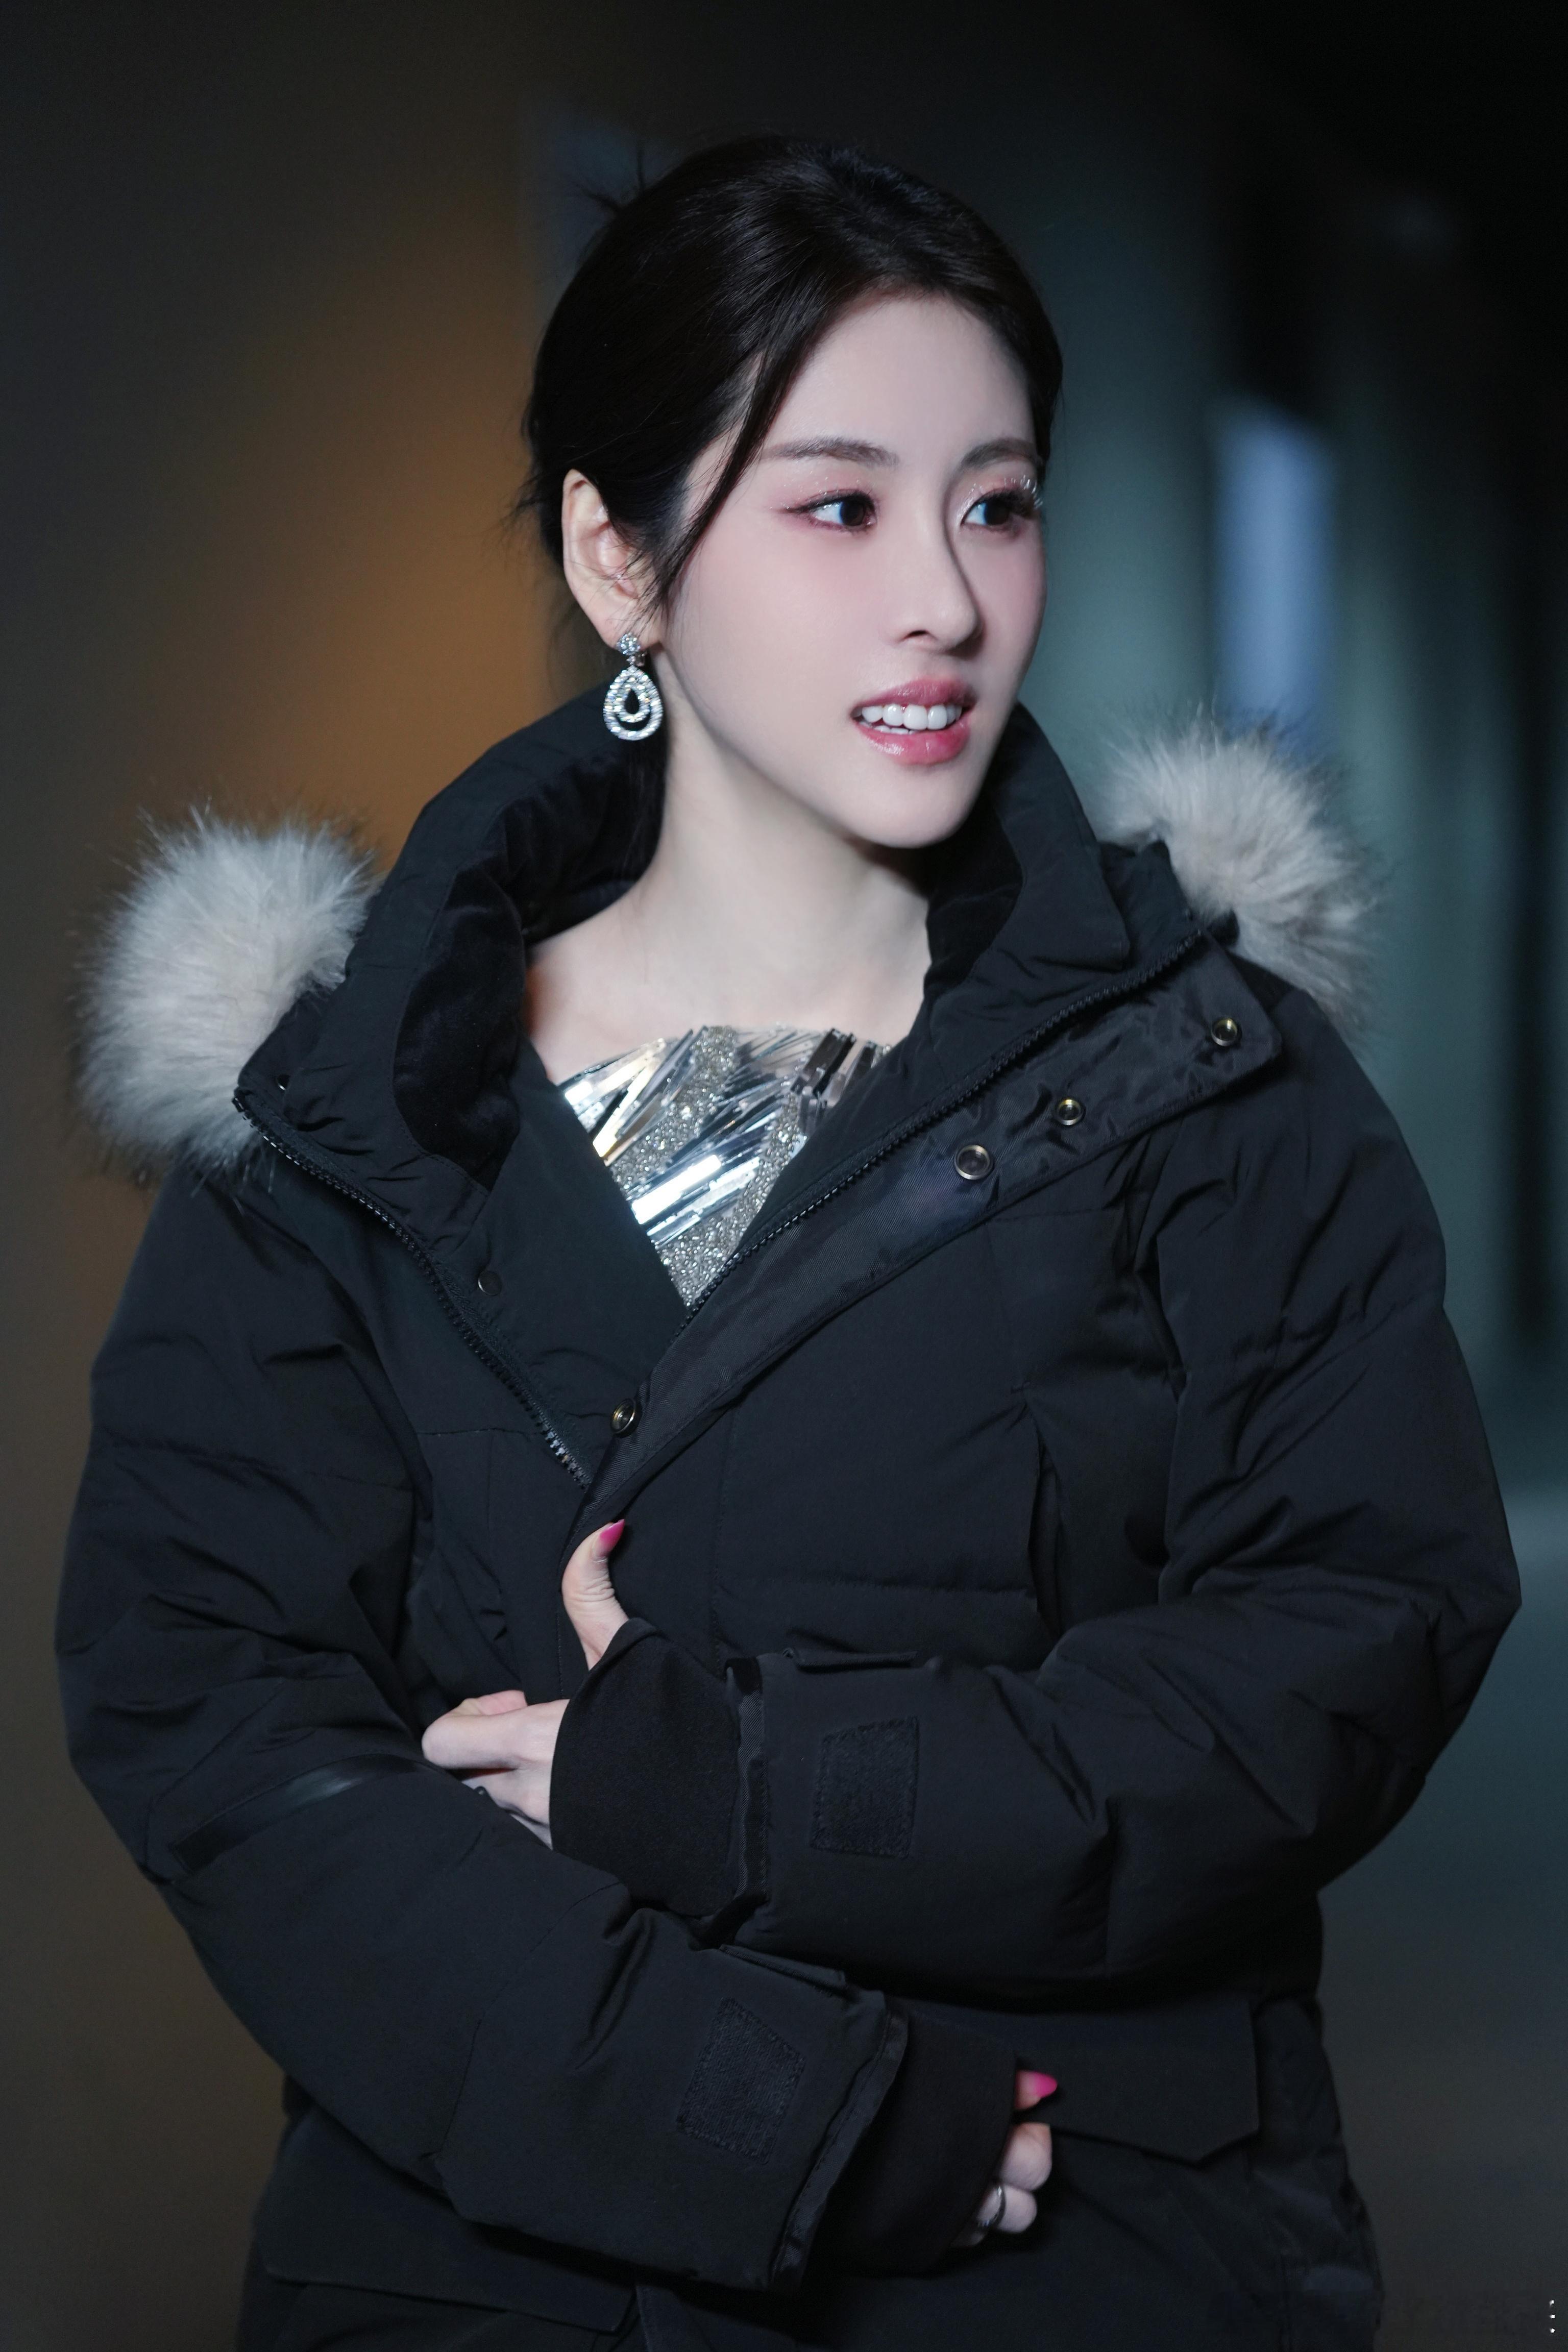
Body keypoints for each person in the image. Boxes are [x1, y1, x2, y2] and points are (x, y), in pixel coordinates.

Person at [60, 137, 1518, 2352]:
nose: (945, 598)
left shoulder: (1207, 1078)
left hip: (1085, 2239)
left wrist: (744, 1791)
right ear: (619, 556)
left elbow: (1348, 1642)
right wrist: (772, 2120)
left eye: (997, 505)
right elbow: (224, 1730)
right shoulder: (348, 1125)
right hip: (492, 2275)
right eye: (839, 507)